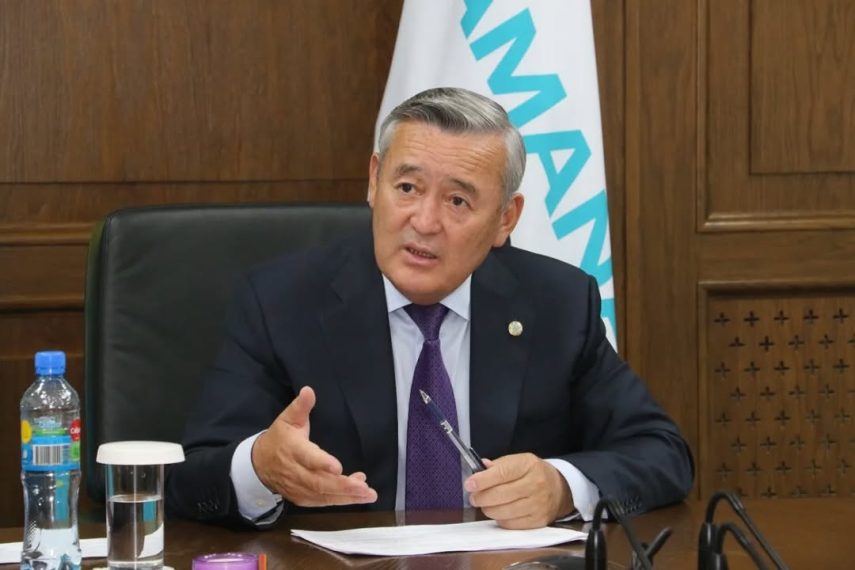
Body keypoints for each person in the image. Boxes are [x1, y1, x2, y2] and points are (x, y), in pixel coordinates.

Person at [165, 87, 693, 530]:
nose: (424, 221)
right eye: (407, 187)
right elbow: (188, 479)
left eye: (458, 201)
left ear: (506, 219)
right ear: (374, 181)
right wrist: (261, 468)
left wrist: (560, 487)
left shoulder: (558, 303)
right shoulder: (280, 300)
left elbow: (662, 453)